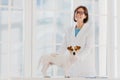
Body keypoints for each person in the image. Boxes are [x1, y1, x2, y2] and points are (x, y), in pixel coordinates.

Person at [57, 5, 96, 77]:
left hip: (85, 65)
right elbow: (63, 46)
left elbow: (88, 48)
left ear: (85, 16)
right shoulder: (69, 30)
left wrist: (79, 57)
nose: (78, 14)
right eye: (77, 12)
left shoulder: (89, 30)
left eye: (81, 13)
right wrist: (57, 56)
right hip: (71, 66)